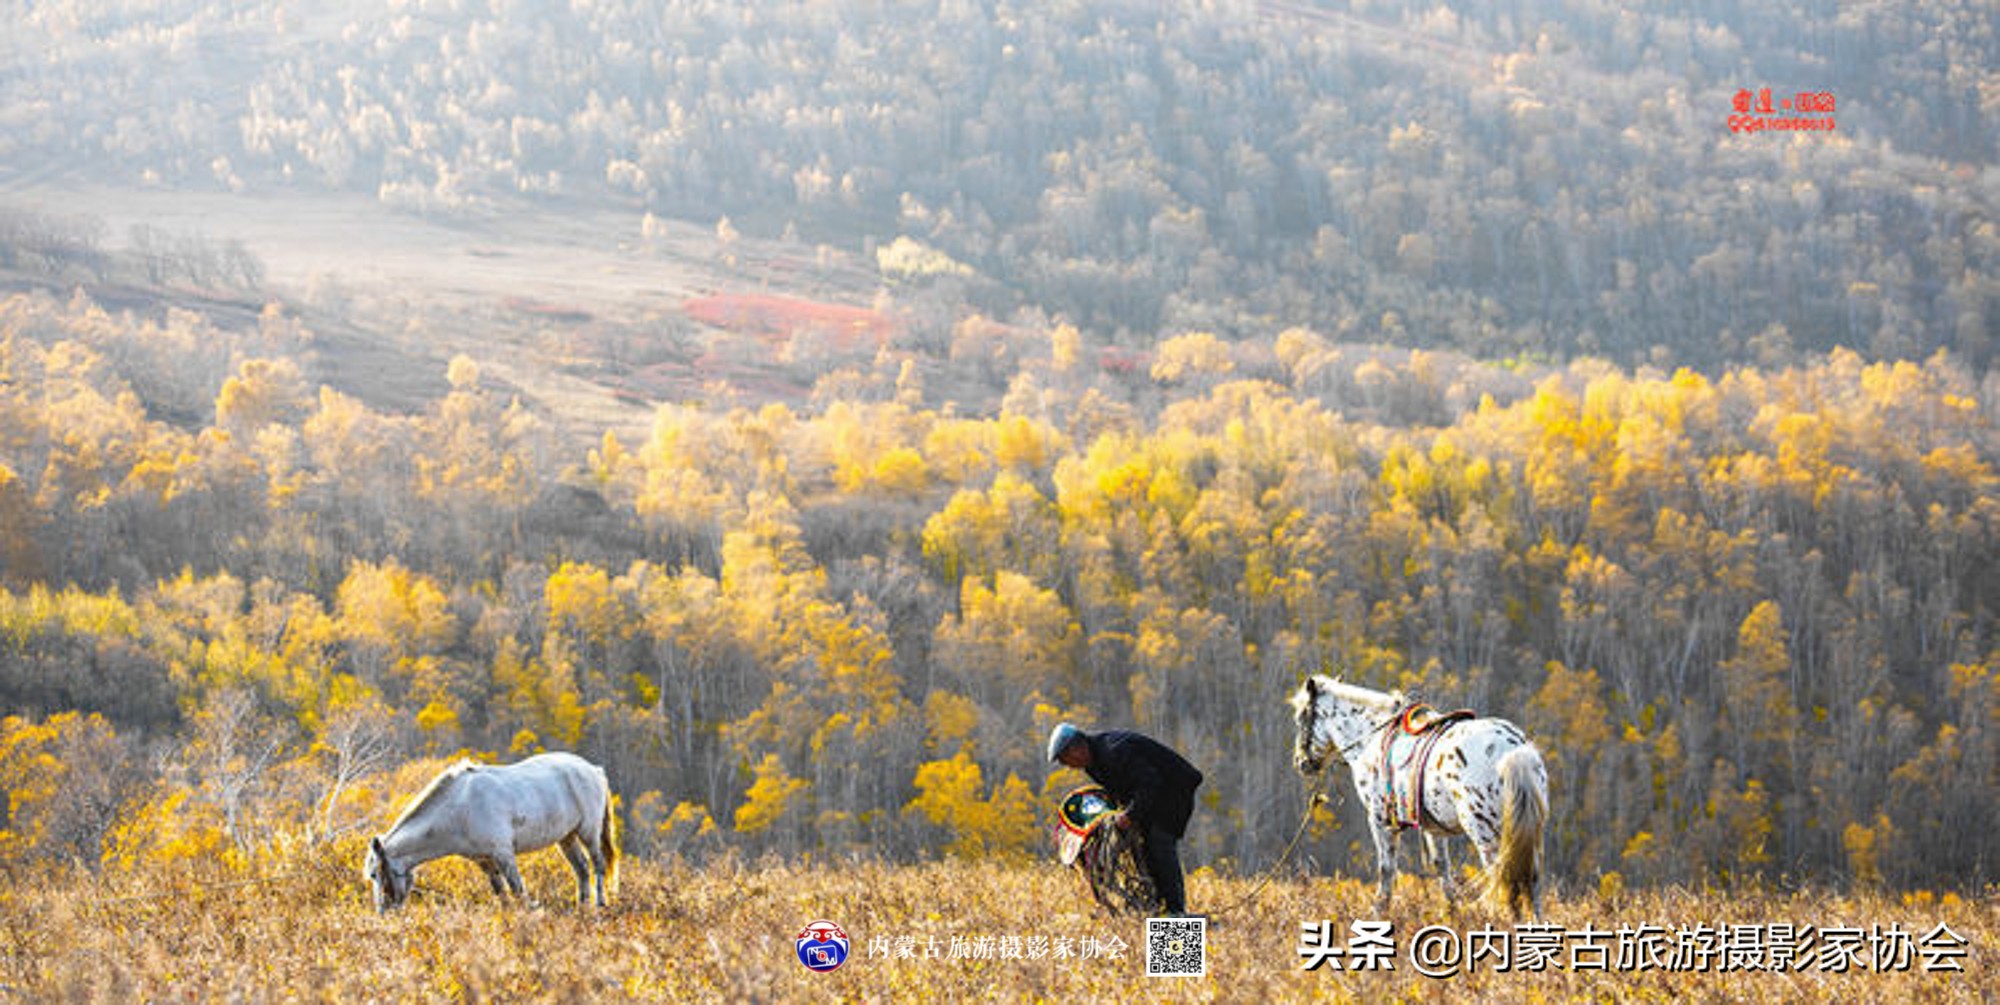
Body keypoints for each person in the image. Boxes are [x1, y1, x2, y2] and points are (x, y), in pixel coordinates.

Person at [1047, 722, 1204, 916]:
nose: (1068, 766)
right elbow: (1120, 790)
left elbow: (1150, 782)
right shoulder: (1093, 765)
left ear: (1077, 749)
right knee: (1145, 848)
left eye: (1065, 760)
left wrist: (1130, 815)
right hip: (1152, 795)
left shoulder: (1114, 750)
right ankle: (1157, 906)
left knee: (1160, 843)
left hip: (1174, 791)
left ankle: (1175, 911)